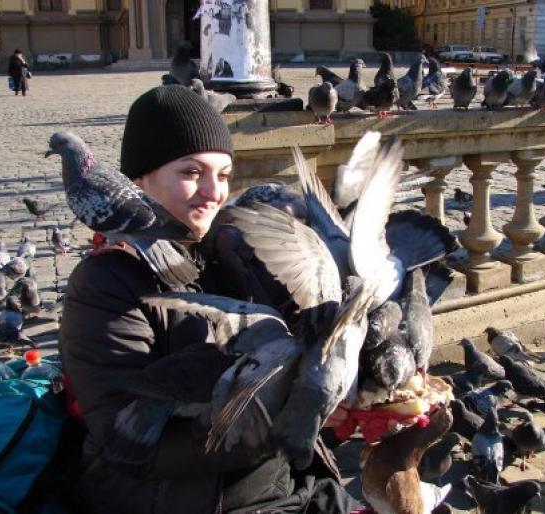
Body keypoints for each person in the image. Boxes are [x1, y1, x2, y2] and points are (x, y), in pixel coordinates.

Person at [59, 85, 359, 514]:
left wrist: (359, 386)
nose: (213, 192)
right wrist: (283, 418)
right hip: (184, 500)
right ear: (139, 180)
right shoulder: (105, 284)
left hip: (285, 487)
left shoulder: (234, 251)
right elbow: (134, 445)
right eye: (190, 172)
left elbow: (308, 339)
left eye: (223, 175)